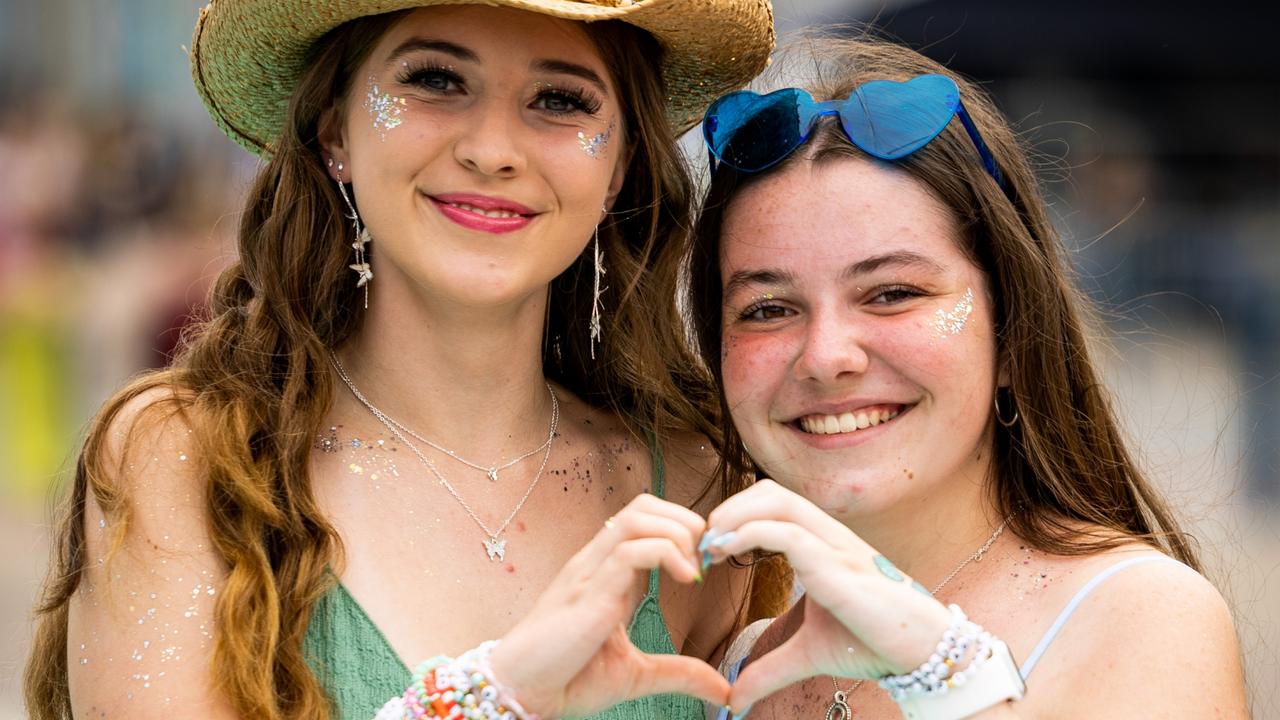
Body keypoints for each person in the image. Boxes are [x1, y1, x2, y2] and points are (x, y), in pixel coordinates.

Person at [23, 2, 782, 719]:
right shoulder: (191, 460)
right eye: (435, 81)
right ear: (336, 132)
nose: (491, 151)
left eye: (559, 100)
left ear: (617, 167)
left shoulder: (695, 489)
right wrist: (491, 695)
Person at [682, 38, 1250, 719]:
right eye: (768, 309)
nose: (826, 355)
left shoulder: (1137, 617)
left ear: (1013, 333)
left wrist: (940, 670)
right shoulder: (740, 663)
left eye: (892, 292)